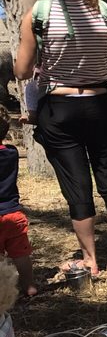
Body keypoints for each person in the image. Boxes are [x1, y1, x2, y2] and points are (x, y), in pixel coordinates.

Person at [13, 0, 107, 275]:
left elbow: (23, 70)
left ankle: (91, 261)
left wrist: (48, 63)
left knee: (77, 188)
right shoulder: (103, 10)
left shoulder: (38, 13)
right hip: (100, 105)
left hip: (60, 108)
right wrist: (102, 63)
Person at [0, 108, 36, 296]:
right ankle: (29, 286)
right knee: (21, 254)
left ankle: (3, 291)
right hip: (13, 214)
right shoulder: (12, 153)